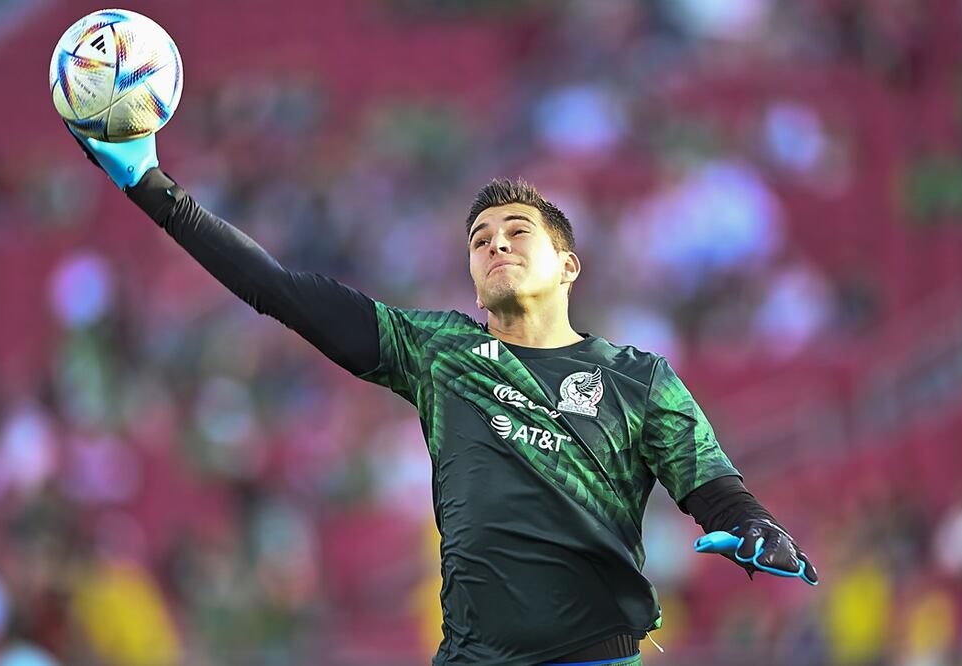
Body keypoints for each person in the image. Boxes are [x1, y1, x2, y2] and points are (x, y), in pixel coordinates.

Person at [64, 127, 818, 666]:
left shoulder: (638, 379)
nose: (495, 244)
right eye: (480, 237)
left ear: (568, 266)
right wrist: (154, 189)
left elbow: (713, 489)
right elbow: (280, 292)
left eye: (517, 231)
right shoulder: (439, 352)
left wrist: (755, 525)